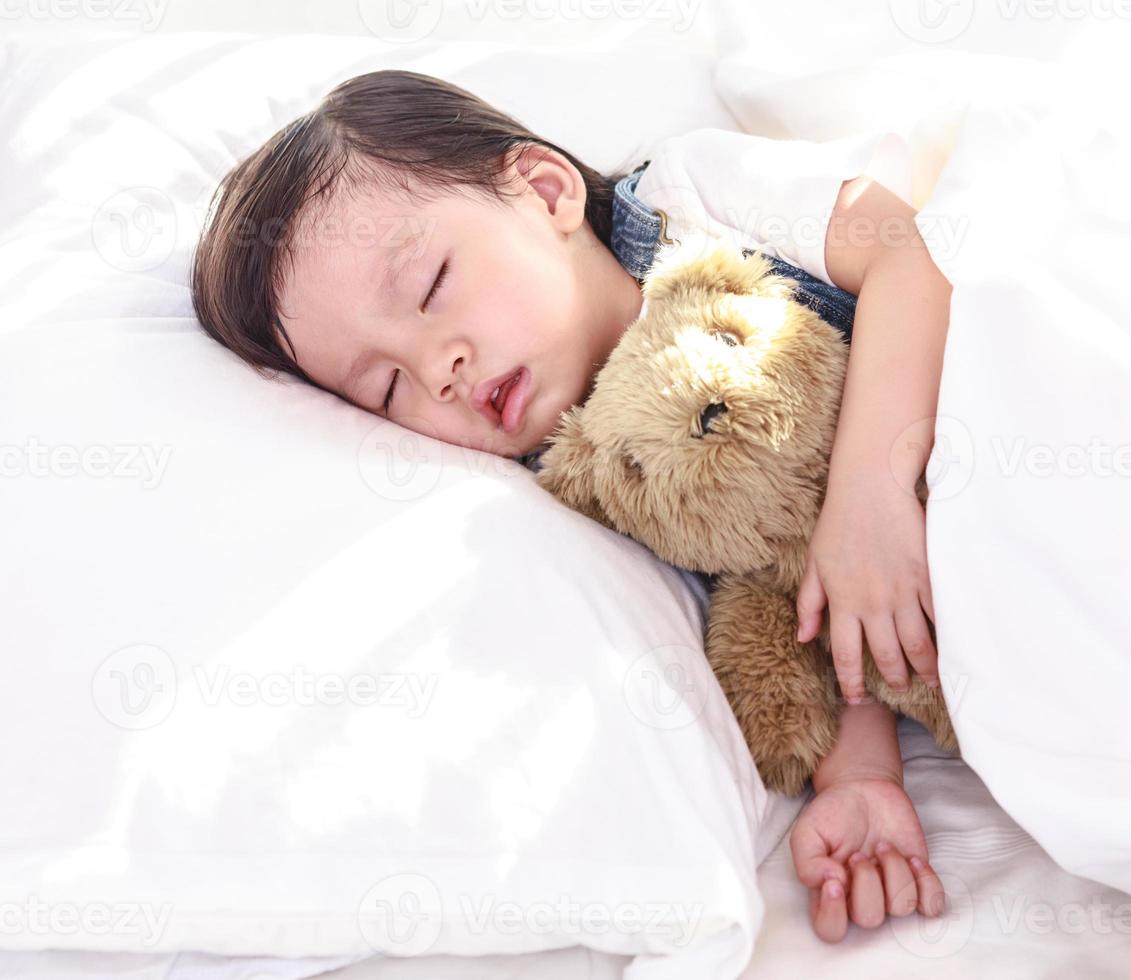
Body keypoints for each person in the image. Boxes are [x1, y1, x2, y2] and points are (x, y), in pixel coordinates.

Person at [190, 68, 953, 943]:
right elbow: (794, 590)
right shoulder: (583, 485)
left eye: (433, 285)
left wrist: (872, 490)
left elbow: (909, 252)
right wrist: (860, 779)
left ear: (545, 191)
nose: (439, 368)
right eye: (389, 387)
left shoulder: (689, 198)